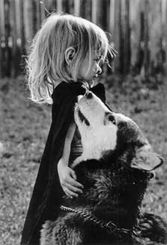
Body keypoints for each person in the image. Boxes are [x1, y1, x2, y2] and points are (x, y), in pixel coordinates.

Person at [21, 13, 117, 245]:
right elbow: (67, 128)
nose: (99, 68)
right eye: (95, 60)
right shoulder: (73, 93)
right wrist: (62, 165)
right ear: (71, 56)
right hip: (74, 168)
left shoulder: (68, 91)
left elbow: (68, 128)